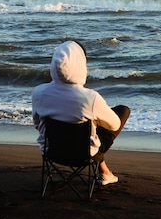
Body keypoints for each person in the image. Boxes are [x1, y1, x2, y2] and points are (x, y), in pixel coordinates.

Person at [32, 40, 130, 186]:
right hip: (84, 154)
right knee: (122, 111)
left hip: (51, 151)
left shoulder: (38, 92)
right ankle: (103, 170)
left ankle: (105, 171)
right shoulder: (90, 97)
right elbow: (114, 126)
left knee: (85, 124)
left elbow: (37, 123)